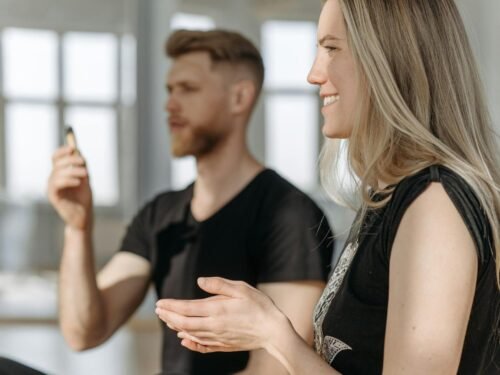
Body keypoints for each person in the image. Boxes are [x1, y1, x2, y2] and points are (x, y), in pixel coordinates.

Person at [155, 1, 500, 374]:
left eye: (331, 47)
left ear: (388, 56)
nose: (313, 74)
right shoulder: (390, 201)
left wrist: (274, 335)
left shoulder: (434, 205)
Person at [47, 29, 333, 375]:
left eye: (188, 89)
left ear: (239, 98)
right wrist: (77, 227)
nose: (170, 104)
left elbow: (273, 371)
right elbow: (84, 332)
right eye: (170, 90)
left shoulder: (290, 216)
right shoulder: (160, 214)